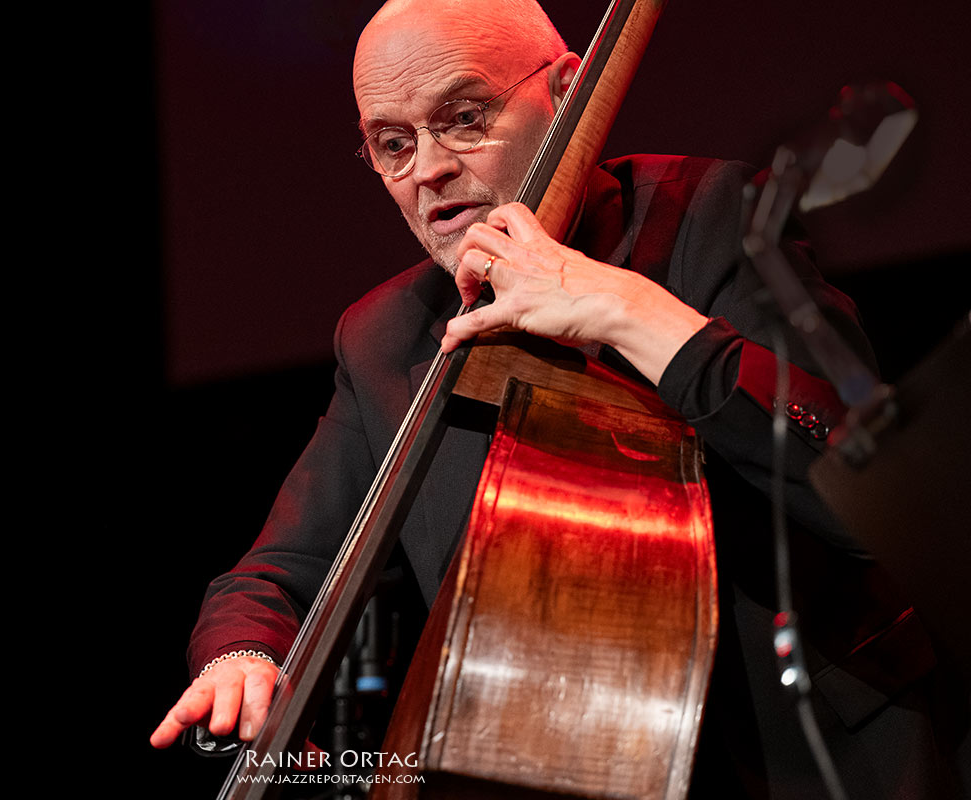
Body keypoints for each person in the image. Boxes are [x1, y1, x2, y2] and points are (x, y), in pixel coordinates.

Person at [151, 0, 965, 796]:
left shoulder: (712, 217)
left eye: (465, 116)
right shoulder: (386, 338)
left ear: (568, 90)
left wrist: (630, 312)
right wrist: (241, 657)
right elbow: (274, 575)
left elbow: (873, 493)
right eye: (393, 144)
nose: (428, 168)